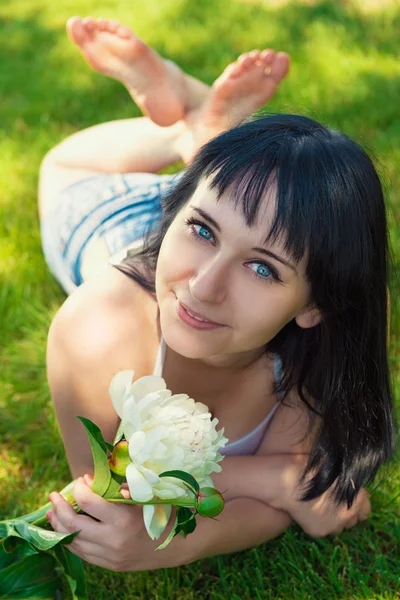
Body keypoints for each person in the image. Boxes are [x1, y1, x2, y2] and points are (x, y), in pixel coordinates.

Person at [39, 16, 396, 572]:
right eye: (202, 231)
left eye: (262, 269)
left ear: (315, 304)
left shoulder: (321, 346)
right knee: (60, 167)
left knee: (233, 211)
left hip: (203, 209)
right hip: (107, 218)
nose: (205, 288)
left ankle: (203, 141)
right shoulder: (98, 325)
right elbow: (107, 494)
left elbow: (294, 490)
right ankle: (184, 132)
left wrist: (193, 536)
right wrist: (276, 477)